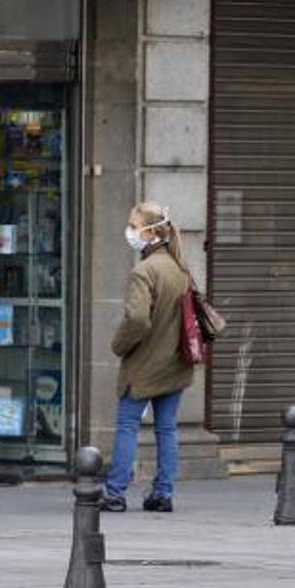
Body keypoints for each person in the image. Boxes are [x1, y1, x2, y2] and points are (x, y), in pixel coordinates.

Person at [102, 201, 193, 513]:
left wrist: (118, 345)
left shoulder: (144, 271)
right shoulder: (179, 267)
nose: (129, 230)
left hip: (145, 365)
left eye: (133, 224)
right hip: (175, 362)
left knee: (127, 424)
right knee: (166, 428)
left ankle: (114, 493)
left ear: (151, 231)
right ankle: (163, 492)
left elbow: (138, 320)